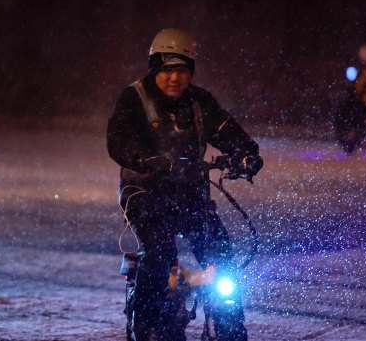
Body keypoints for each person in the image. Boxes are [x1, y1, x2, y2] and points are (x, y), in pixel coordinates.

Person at [107, 28, 262, 341]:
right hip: (145, 192)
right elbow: (118, 140)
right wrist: (144, 159)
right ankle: (148, 325)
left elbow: (226, 130)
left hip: (190, 192)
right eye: (167, 70)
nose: (175, 78)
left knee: (220, 252)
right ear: (155, 68)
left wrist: (246, 154)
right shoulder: (134, 98)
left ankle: (231, 326)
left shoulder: (199, 102)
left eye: (182, 70)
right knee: (159, 251)